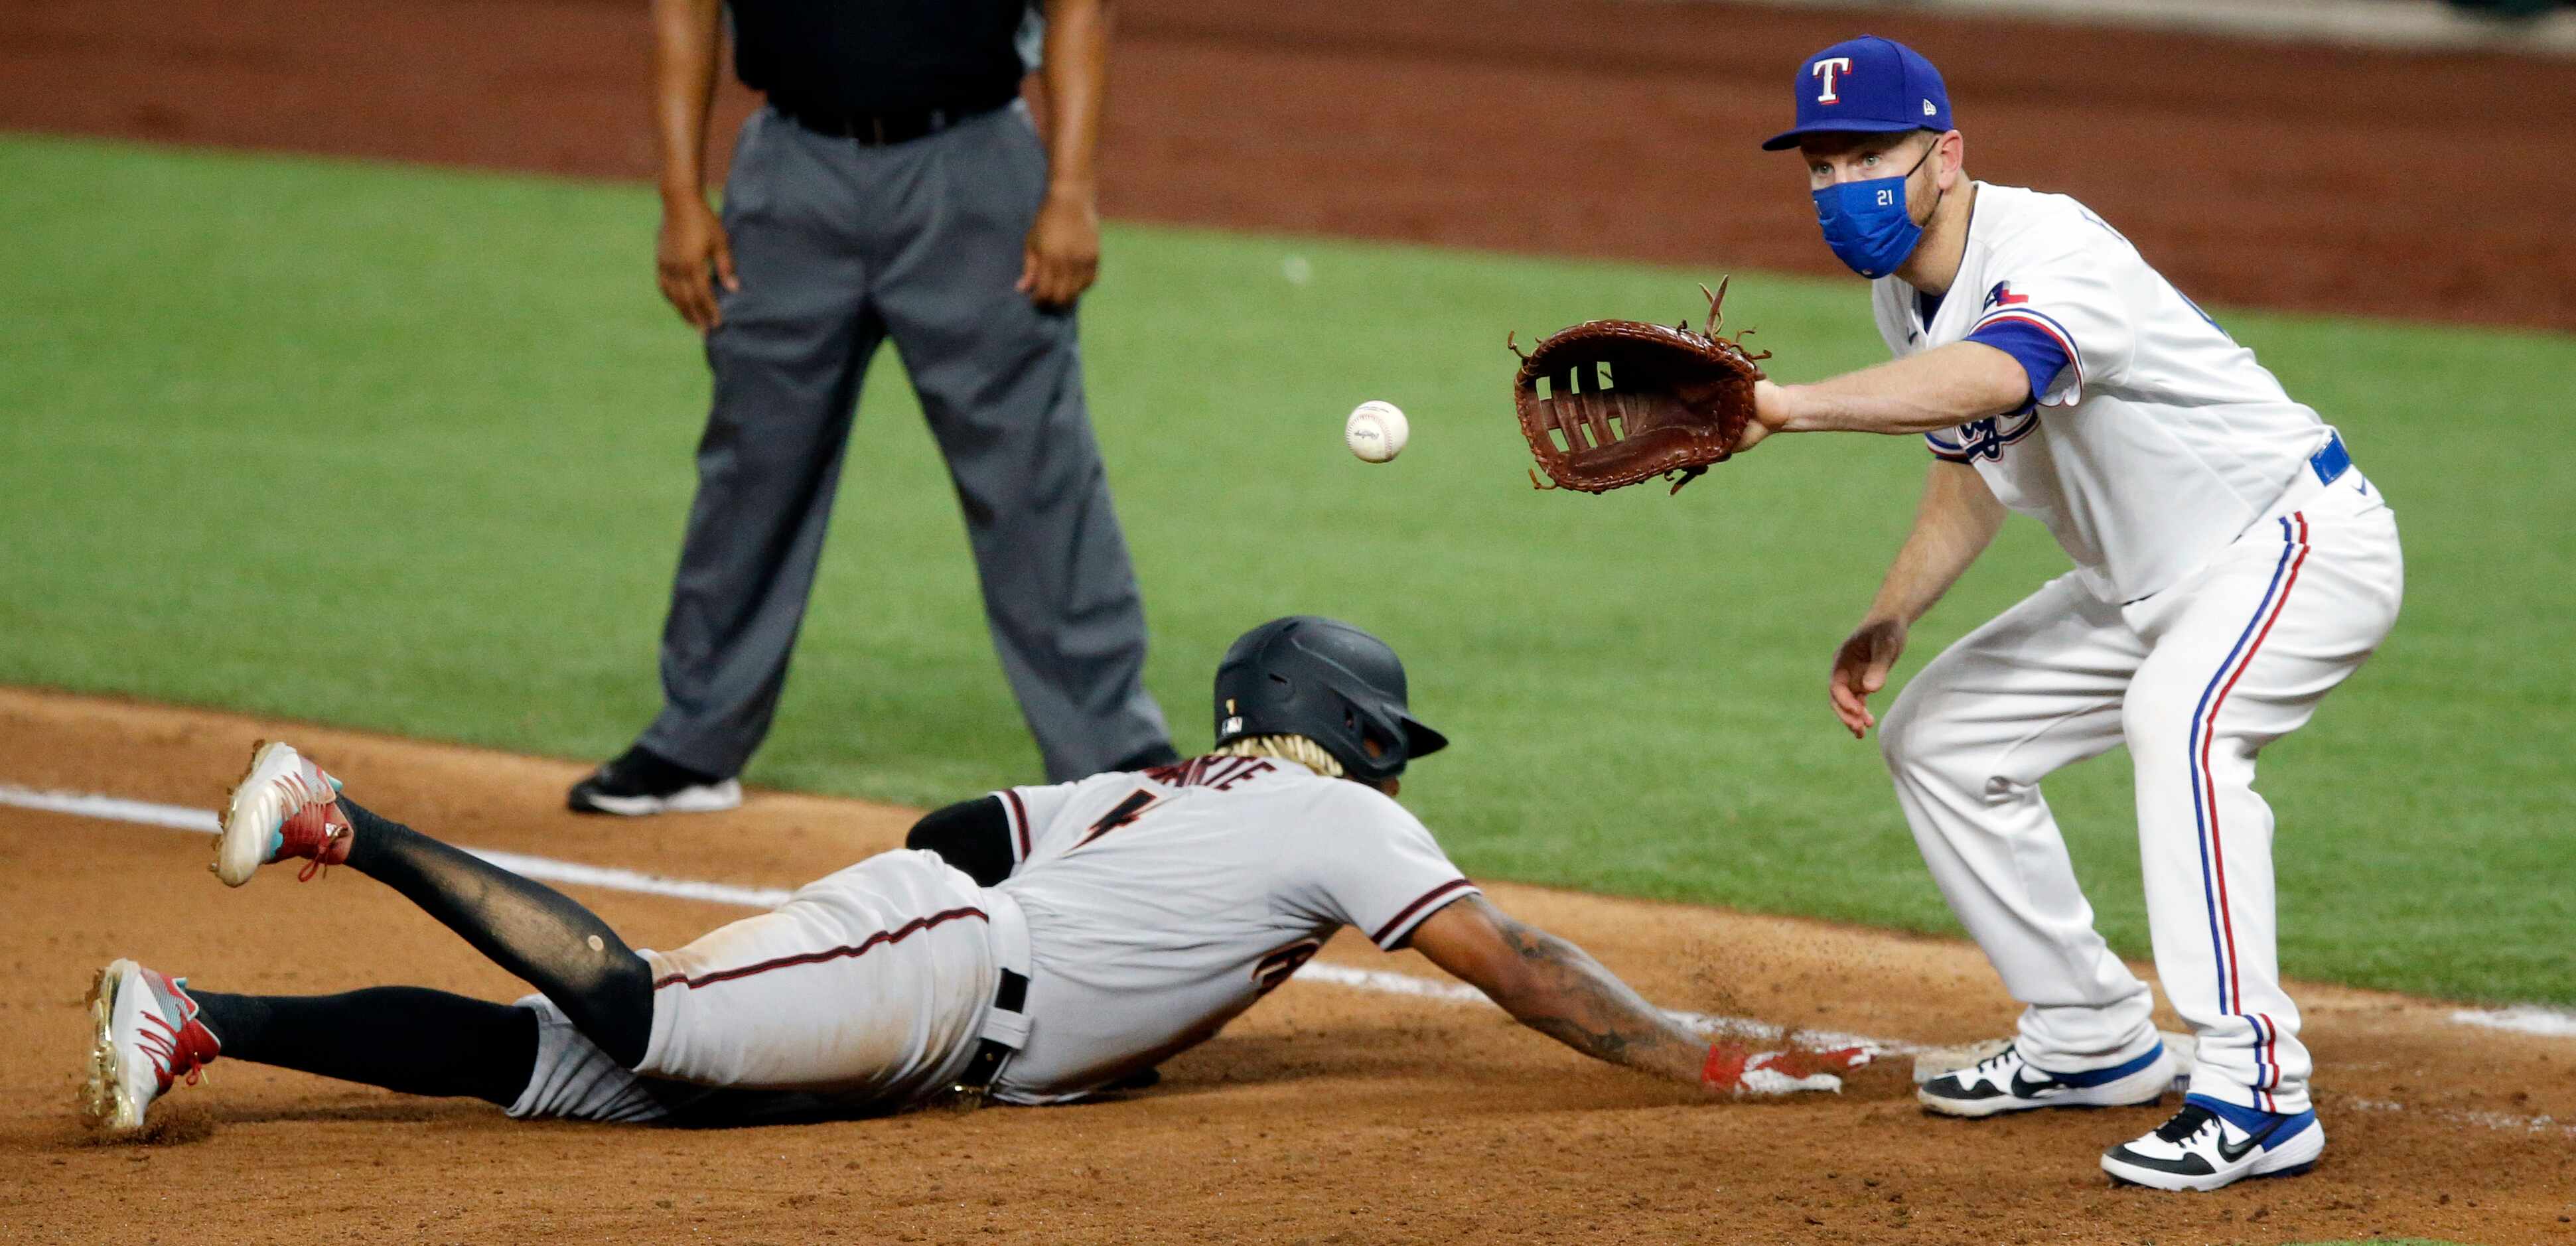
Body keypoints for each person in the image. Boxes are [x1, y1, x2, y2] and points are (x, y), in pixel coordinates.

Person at [83, 617, 1865, 1135]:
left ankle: (197, 1016)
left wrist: (1091, 935)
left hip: (936, 942)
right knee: (642, 1012)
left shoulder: (1169, 782)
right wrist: (1696, 1047)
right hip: (940, 975)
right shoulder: (1332, 811)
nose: (1396, 760)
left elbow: (954, 823)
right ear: (1344, 727)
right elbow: (1517, 956)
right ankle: (339, 814)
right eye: (1387, 733)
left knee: (551, 1061)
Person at [1736, 36, 2401, 1192]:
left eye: (1868, 158)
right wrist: (1892, 612)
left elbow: (2000, 376)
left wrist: (1792, 407)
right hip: (2142, 587)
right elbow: (1972, 460)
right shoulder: (1908, 298)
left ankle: (2255, 1092)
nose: (1843, 189)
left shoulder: (2048, 244)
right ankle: (2087, 1030)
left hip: (2289, 541)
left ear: (1945, 154)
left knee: (2181, 724)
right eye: (1821, 168)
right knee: (1940, 736)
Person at [569, 0, 1177, 816]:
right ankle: (695, 740)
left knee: (1033, 470)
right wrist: (680, 195)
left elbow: (1080, 7)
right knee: (753, 466)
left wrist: (1071, 189)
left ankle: (1112, 750)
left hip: (972, 170)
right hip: (789, 172)